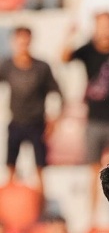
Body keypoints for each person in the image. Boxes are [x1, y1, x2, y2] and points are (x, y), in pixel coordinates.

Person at [62, 11, 109, 223]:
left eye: (107, 25)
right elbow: (64, 57)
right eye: (100, 25)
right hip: (94, 119)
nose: (104, 30)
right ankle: (91, 217)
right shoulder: (88, 49)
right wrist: (69, 35)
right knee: (93, 169)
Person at [0, 26, 64, 194]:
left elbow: (56, 92)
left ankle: (42, 202)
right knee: (10, 165)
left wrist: (53, 119)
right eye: (19, 41)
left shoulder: (41, 67)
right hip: (16, 121)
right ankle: (7, 205)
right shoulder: (7, 66)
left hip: (37, 122)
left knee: (40, 167)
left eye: (25, 41)